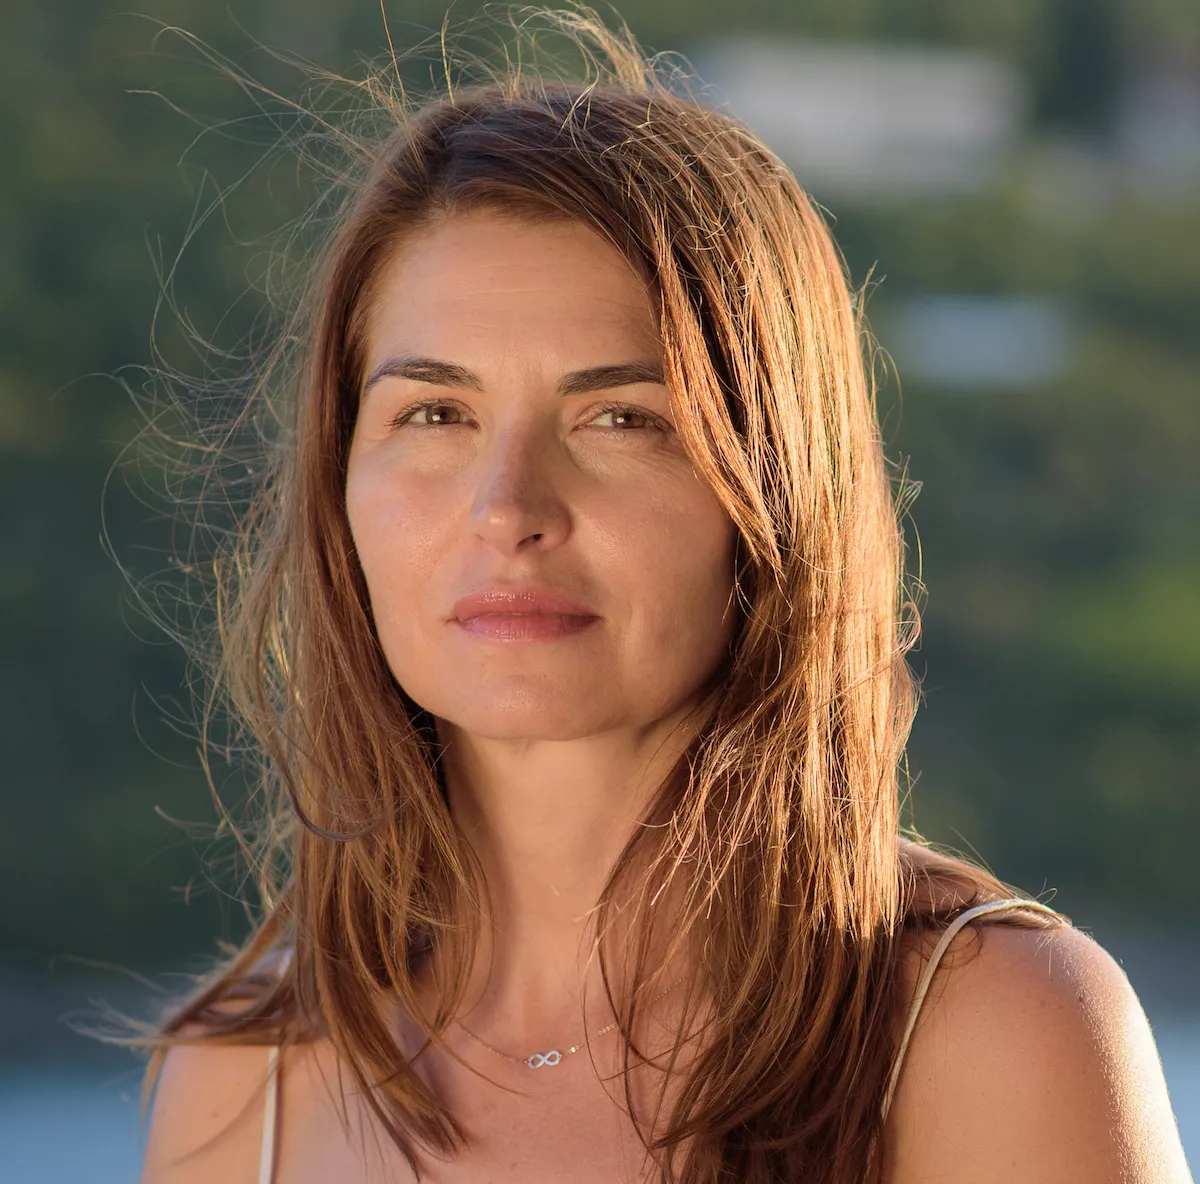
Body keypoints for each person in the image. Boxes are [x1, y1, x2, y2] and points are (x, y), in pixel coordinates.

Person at [137, 10, 1192, 1184]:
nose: (508, 505)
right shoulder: (243, 1088)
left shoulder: (989, 1033)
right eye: (435, 413)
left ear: (773, 493)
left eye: (621, 418)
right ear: (340, 482)